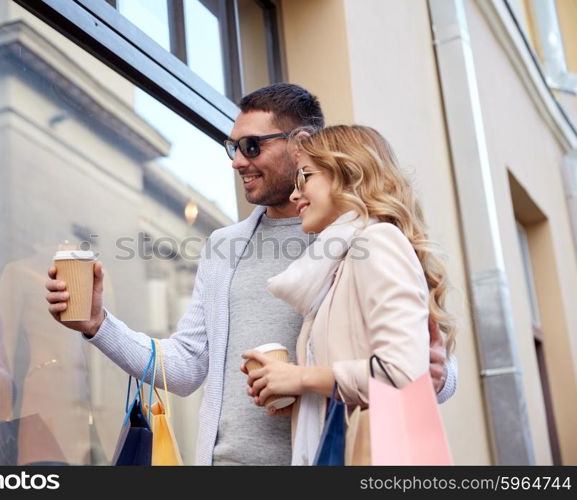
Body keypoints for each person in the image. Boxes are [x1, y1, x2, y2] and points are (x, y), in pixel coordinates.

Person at [45, 84, 457, 465]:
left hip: (329, 458)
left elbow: (423, 368)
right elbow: (187, 366)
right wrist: (98, 326)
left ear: (301, 145)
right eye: (233, 147)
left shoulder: (360, 238)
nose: (238, 160)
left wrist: (431, 375)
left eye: (251, 146)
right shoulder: (224, 247)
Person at [243, 124, 457, 464]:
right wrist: (301, 395)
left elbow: (402, 374)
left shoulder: (377, 242)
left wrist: (301, 377)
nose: (295, 194)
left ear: (347, 174)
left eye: (305, 178)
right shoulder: (338, 265)